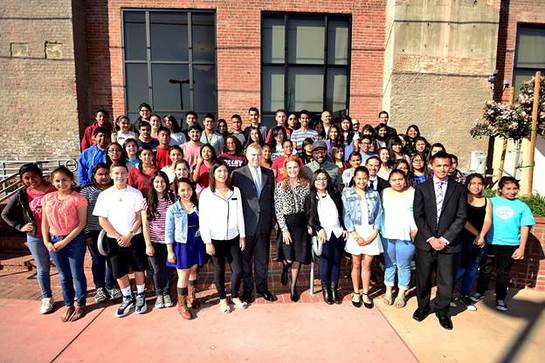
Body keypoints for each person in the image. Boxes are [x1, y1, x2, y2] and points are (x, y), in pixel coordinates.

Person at [412, 151, 467, 330]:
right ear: (432, 166)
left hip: (449, 244)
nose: (443, 169)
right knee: (423, 277)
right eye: (439, 165)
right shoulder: (421, 187)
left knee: (446, 280)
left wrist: (444, 239)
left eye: (446, 165)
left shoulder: (459, 189)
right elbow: (418, 215)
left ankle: (442, 311)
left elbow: (461, 217)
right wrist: (430, 238)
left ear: (450, 166)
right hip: (425, 243)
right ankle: (423, 307)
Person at [94, 163, 148, 317]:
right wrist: (119, 237)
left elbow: (139, 218)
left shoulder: (136, 193)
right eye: (116, 173)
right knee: (119, 271)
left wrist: (129, 235)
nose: (120, 176)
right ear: (111, 175)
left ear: (127, 174)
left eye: (123, 173)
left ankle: (140, 295)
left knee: (139, 267)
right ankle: (127, 297)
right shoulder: (104, 195)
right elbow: (102, 220)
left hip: (135, 237)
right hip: (114, 240)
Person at [473, 176, 535, 312]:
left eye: (514, 188)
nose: (512, 191)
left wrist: (522, 247)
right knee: (485, 269)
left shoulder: (522, 206)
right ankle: (480, 292)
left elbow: (525, 227)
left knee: (503, 273)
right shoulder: (491, 202)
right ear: (500, 189)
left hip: (510, 244)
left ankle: (500, 298)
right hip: (491, 242)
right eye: (508, 188)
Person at [1, 163, 55, 314]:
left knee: (63, 267)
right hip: (35, 237)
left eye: (34, 176)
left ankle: (70, 296)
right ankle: (46, 298)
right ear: (22, 180)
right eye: (26, 178)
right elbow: (5, 214)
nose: (31, 180)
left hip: (55, 235)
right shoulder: (22, 194)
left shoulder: (53, 189)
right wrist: (20, 226)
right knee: (42, 268)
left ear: (40, 174)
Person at [199, 162, 247, 313]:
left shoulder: (236, 191)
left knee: (238, 270)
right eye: (219, 171)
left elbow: (240, 214)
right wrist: (207, 242)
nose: (222, 174)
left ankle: (234, 295)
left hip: (234, 237)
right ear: (213, 174)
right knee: (219, 270)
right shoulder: (207, 193)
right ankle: (222, 299)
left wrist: (242, 235)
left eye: (225, 171)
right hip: (215, 239)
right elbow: (203, 219)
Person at [41, 166, 88, 322]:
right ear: (53, 182)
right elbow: (45, 222)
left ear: (71, 180)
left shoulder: (78, 199)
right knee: (63, 275)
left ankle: (80, 304)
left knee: (77, 274)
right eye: (58, 181)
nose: (61, 183)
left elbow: (81, 224)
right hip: (53, 240)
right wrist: (47, 241)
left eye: (65, 180)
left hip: (74, 240)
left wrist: (65, 241)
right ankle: (69, 305)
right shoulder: (47, 198)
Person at [232, 144, 277, 303]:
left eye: (258, 155)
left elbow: (271, 199)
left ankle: (263, 288)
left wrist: (273, 221)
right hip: (245, 225)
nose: (256, 158)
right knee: (245, 260)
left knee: (262, 259)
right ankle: (248, 290)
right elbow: (234, 201)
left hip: (264, 224)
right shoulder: (237, 174)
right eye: (253, 155)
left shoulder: (269, 173)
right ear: (246, 155)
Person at [342, 166, 383, 309]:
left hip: (371, 232)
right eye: (359, 178)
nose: (361, 181)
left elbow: (379, 213)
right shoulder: (347, 193)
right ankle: (356, 292)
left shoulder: (375, 194)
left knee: (367, 265)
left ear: (368, 178)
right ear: (354, 178)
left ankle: (366, 293)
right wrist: (354, 234)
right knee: (356, 264)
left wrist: (374, 233)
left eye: (364, 178)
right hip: (355, 232)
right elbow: (346, 215)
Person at [165, 178, 206, 319]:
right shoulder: (173, 209)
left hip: (196, 241)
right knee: (183, 274)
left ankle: (191, 296)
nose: (186, 192)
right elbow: (169, 231)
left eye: (189, 189)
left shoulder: (198, 205)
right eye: (182, 190)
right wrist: (170, 251)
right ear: (177, 192)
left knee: (194, 269)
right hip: (182, 244)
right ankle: (181, 305)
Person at [81, 163, 121, 304]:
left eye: (106, 174)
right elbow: (82, 214)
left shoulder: (115, 189)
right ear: (94, 175)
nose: (103, 177)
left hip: (112, 231)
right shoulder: (87, 191)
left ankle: (110, 285)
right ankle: (99, 287)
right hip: (94, 232)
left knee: (112, 259)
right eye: (100, 174)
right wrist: (86, 234)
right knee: (97, 261)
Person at [305, 169, 346, 305]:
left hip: (338, 232)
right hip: (324, 235)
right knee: (325, 262)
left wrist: (345, 228)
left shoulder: (334, 194)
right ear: (314, 181)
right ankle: (326, 290)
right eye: (318, 179)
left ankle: (334, 288)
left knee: (336, 261)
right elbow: (308, 218)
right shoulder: (311, 197)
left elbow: (342, 212)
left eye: (324, 178)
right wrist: (318, 229)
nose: (321, 181)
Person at [451, 173, 491, 311]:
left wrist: (482, 236)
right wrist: (477, 234)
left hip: (479, 241)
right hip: (462, 238)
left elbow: (487, 220)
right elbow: (462, 220)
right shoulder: (462, 198)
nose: (476, 186)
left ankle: (465, 295)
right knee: (459, 268)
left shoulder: (487, 201)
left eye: (479, 183)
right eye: (473, 183)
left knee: (472, 270)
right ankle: (447, 294)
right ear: (467, 184)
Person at [274, 156, 311, 302]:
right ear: (285, 169)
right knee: (289, 258)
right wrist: (284, 229)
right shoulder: (280, 185)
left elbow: (309, 207)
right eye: (289, 167)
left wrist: (309, 225)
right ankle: (285, 267)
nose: (292, 170)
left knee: (298, 258)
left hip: (301, 224)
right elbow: (278, 209)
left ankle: (293, 287)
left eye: (295, 167)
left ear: (299, 168)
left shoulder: (306, 184)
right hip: (287, 224)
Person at [380, 169, 417, 308]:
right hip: (387, 233)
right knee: (389, 263)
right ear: (389, 181)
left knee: (404, 264)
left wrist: (415, 228)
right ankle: (388, 291)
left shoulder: (413, 192)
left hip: (406, 234)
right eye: (394, 180)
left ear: (405, 179)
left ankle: (401, 293)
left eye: (400, 179)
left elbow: (418, 212)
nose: (397, 182)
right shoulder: (385, 192)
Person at [142, 171, 176, 309]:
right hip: (154, 241)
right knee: (157, 270)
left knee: (168, 269)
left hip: (169, 242)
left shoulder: (172, 199)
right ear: (152, 184)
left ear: (167, 183)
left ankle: (167, 293)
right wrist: (148, 244)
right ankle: (159, 294)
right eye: (157, 182)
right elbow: (145, 225)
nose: (160, 184)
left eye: (162, 181)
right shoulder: (146, 202)